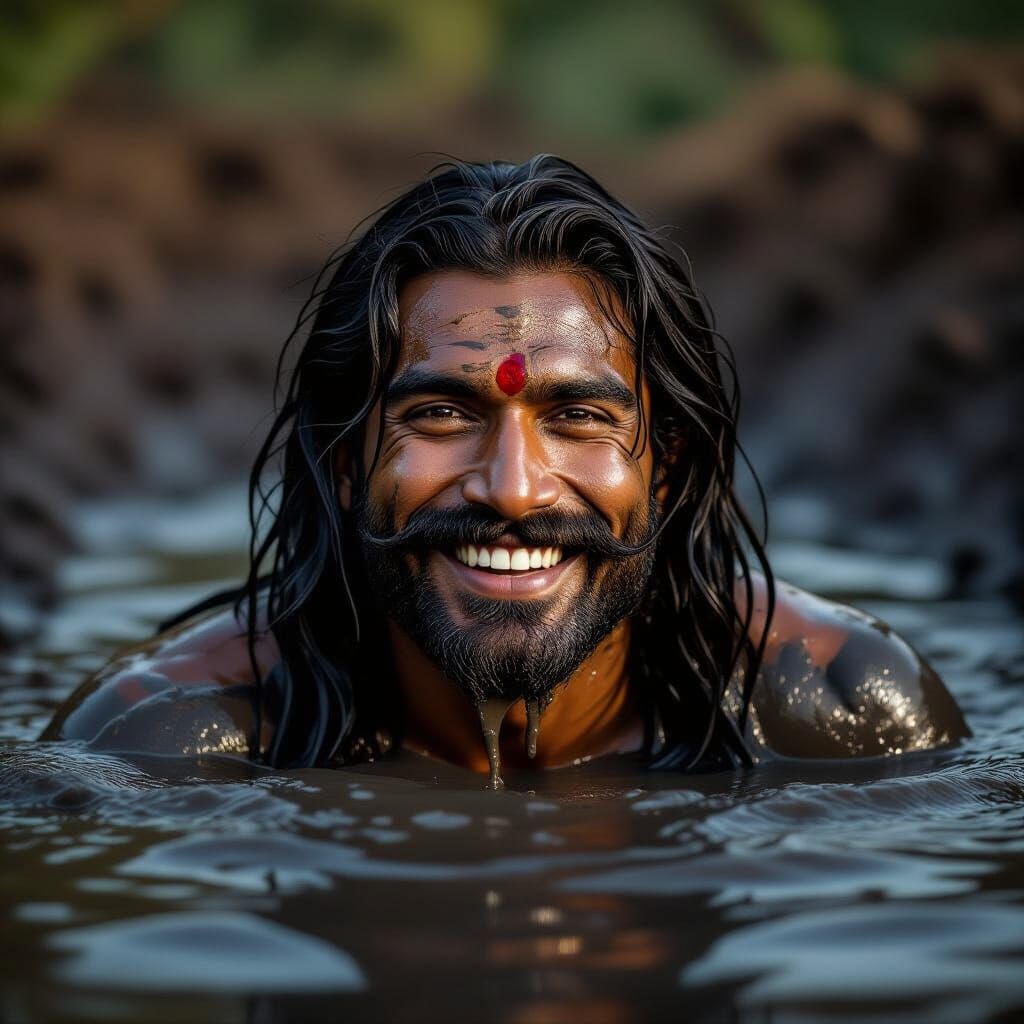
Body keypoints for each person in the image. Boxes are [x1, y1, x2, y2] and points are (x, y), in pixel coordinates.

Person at [42, 156, 968, 785]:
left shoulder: (845, 711)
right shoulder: (166, 738)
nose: (514, 489)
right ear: (341, 459)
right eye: (441, 414)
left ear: (671, 465)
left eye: (577, 417)